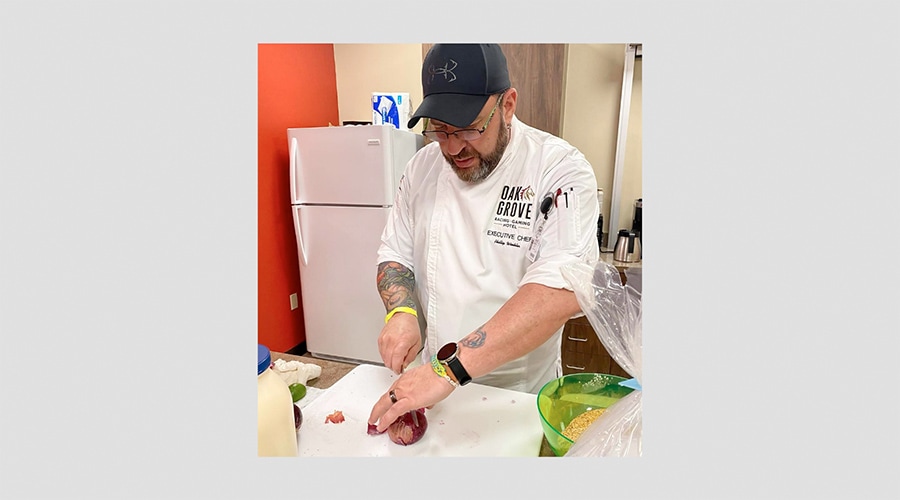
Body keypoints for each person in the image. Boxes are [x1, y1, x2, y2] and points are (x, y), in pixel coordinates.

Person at [368, 44, 600, 432]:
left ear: (507, 105)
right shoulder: (422, 168)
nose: (453, 147)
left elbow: (561, 289)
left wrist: (449, 370)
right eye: (439, 131)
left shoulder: (559, 169)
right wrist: (402, 312)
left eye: (469, 129)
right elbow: (395, 253)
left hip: (519, 396)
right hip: (432, 390)